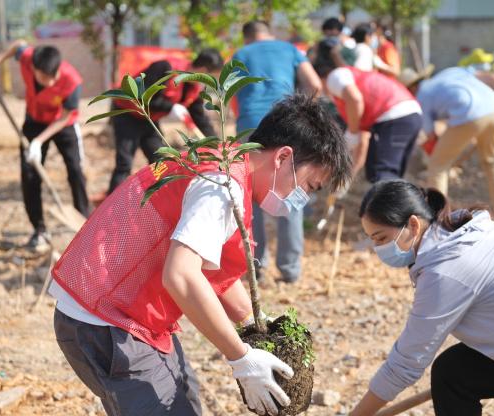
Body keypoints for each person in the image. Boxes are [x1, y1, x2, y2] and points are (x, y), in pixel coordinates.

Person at [49, 94, 351, 416]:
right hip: (108, 321)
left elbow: (210, 271)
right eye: (309, 185)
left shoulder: (225, 162)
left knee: (186, 401)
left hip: (125, 314)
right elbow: (181, 276)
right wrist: (241, 358)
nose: (301, 198)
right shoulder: (222, 186)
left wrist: (254, 322)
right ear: (282, 158)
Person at [350, 179, 494, 416]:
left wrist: (357, 414)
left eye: (381, 238)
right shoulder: (460, 233)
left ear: (413, 224)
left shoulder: (447, 269)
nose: (378, 249)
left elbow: (405, 363)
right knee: (451, 373)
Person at [232, 20, 323, 284]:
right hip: (286, 124)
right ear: (269, 32)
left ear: (247, 36)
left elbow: (232, 96)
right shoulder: (290, 49)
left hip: (249, 126)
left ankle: (255, 267)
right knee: (291, 192)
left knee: (249, 195)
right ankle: (290, 269)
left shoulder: (241, 54)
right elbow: (314, 84)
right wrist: (305, 116)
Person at [0, 40, 89, 252]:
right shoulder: (29, 59)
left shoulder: (72, 82)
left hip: (62, 124)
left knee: (76, 171)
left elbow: (65, 117)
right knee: (29, 176)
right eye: (39, 75)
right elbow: (17, 45)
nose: (42, 80)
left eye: (47, 78)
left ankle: (84, 223)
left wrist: (38, 142)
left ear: (57, 71)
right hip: (34, 120)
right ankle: (39, 230)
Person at [400, 66, 494, 224]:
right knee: (491, 159)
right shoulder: (450, 72)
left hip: (468, 115)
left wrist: (441, 154)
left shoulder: (420, 96)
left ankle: (437, 217)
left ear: (411, 87)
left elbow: (430, 136)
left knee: (437, 165)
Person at [107, 49, 222, 193]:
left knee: (160, 160)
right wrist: (170, 107)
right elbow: (142, 96)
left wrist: (216, 144)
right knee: (124, 163)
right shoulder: (165, 68)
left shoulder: (193, 87)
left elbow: (199, 118)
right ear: (203, 70)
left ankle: (157, 198)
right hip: (128, 114)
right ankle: (112, 206)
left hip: (149, 120)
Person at [314, 54, 422, 183]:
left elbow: (355, 99)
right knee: (389, 175)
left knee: (382, 174)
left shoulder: (334, 77)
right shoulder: (351, 81)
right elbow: (361, 142)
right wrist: (347, 177)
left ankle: (386, 203)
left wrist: (352, 133)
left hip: (393, 115)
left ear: (318, 77)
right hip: (410, 114)